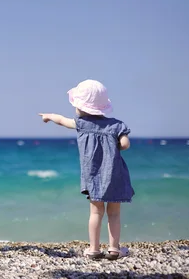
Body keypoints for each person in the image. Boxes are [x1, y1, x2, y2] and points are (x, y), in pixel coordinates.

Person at [38, 79, 134, 260]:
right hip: (115, 174)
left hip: (94, 176)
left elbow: (61, 120)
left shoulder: (82, 124)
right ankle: (114, 249)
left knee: (96, 212)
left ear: (81, 107)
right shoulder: (117, 125)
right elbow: (125, 144)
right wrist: (117, 147)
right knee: (114, 213)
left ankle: (94, 249)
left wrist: (49, 116)